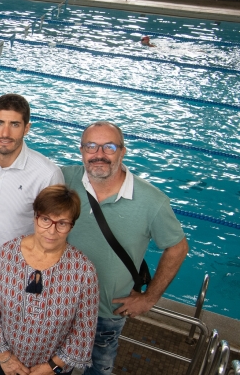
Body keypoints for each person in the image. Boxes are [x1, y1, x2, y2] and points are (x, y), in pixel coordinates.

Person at [63, 121, 189, 375]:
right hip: (60, 303)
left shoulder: (151, 201)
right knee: (52, 366)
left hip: (107, 312)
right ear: (81, 150)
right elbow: (21, 168)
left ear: (123, 151)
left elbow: (178, 248)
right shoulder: (64, 179)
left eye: (109, 147)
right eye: (91, 146)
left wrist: (149, 299)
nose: (99, 154)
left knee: (98, 369)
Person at [0, 94, 64, 375]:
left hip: (20, 280)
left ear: (27, 128)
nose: (5, 133)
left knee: (19, 346)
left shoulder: (46, 174)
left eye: (14, 125)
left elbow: (55, 234)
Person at [0, 185, 99, 375]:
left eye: (62, 223)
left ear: (71, 225)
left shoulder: (83, 271)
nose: (52, 230)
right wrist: (5, 358)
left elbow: (84, 330)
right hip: (2, 364)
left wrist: (53, 366)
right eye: (46, 220)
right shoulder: (6, 255)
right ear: (35, 217)